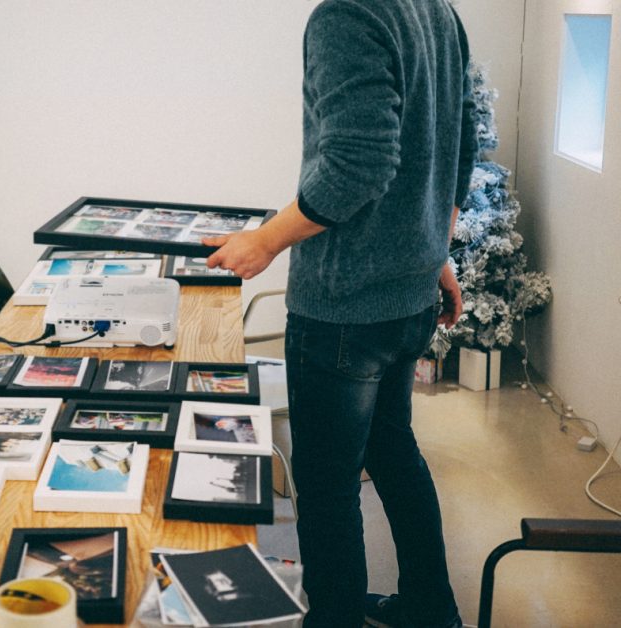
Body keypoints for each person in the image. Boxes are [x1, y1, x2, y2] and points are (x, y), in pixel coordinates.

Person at [205, 1, 476, 626]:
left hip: (345, 306)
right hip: (407, 297)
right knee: (393, 451)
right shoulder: (435, 10)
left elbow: (358, 162)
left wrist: (266, 240)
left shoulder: (347, 13)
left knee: (326, 487)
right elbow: (461, 144)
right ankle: (431, 610)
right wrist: (437, 252)